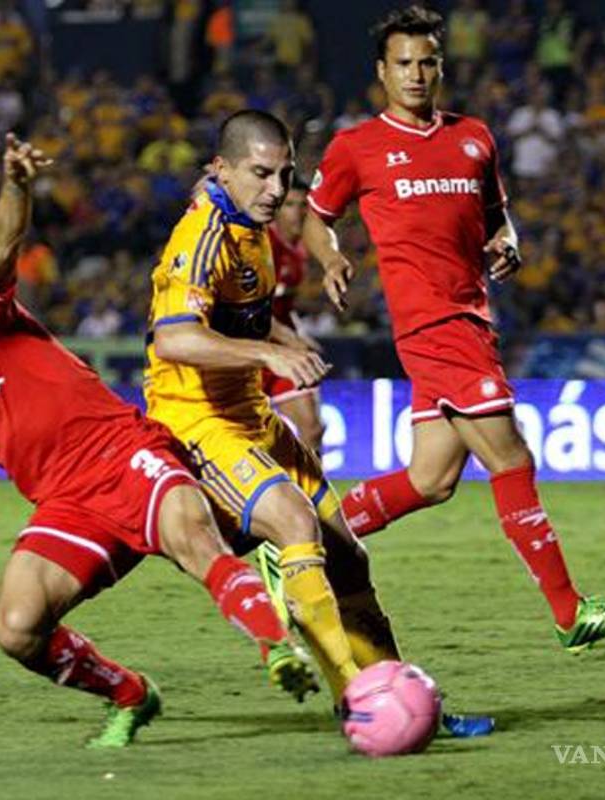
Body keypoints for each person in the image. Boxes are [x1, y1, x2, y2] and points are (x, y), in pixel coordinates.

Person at [0, 134, 308, 749]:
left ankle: (277, 648)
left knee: (194, 544)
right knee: (16, 628)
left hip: (125, 455)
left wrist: (16, 185)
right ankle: (131, 694)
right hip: (68, 507)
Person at [302, 7, 605, 653]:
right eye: (403, 63)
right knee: (512, 460)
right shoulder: (357, 146)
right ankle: (570, 613)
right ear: (382, 71)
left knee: (430, 479)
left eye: (427, 62)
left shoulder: (474, 138)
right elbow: (316, 216)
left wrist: (506, 241)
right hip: (433, 324)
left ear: (441, 67)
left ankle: (299, 543)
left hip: (471, 316)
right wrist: (331, 259)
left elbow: (498, 215)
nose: (416, 74)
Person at [144, 109, 400, 706]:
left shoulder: (248, 219)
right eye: (261, 174)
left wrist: (283, 341)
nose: (277, 189)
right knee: (293, 522)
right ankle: (359, 701)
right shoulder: (204, 237)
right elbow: (174, 339)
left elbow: (242, 315)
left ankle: (399, 692)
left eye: (284, 174)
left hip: (253, 416)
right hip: (198, 422)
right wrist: (270, 352)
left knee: (349, 557)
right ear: (223, 169)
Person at [264, 180, 324, 453]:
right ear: (276, 209)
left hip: (281, 351)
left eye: (303, 205)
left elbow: (282, 307)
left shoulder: (299, 251)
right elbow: (250, 309)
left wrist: (300, 334)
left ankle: (313, 483)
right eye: (289, 205)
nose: (297, 212)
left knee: (312, 429)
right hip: (249, 352)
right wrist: (293, 339)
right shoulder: (263, 246)